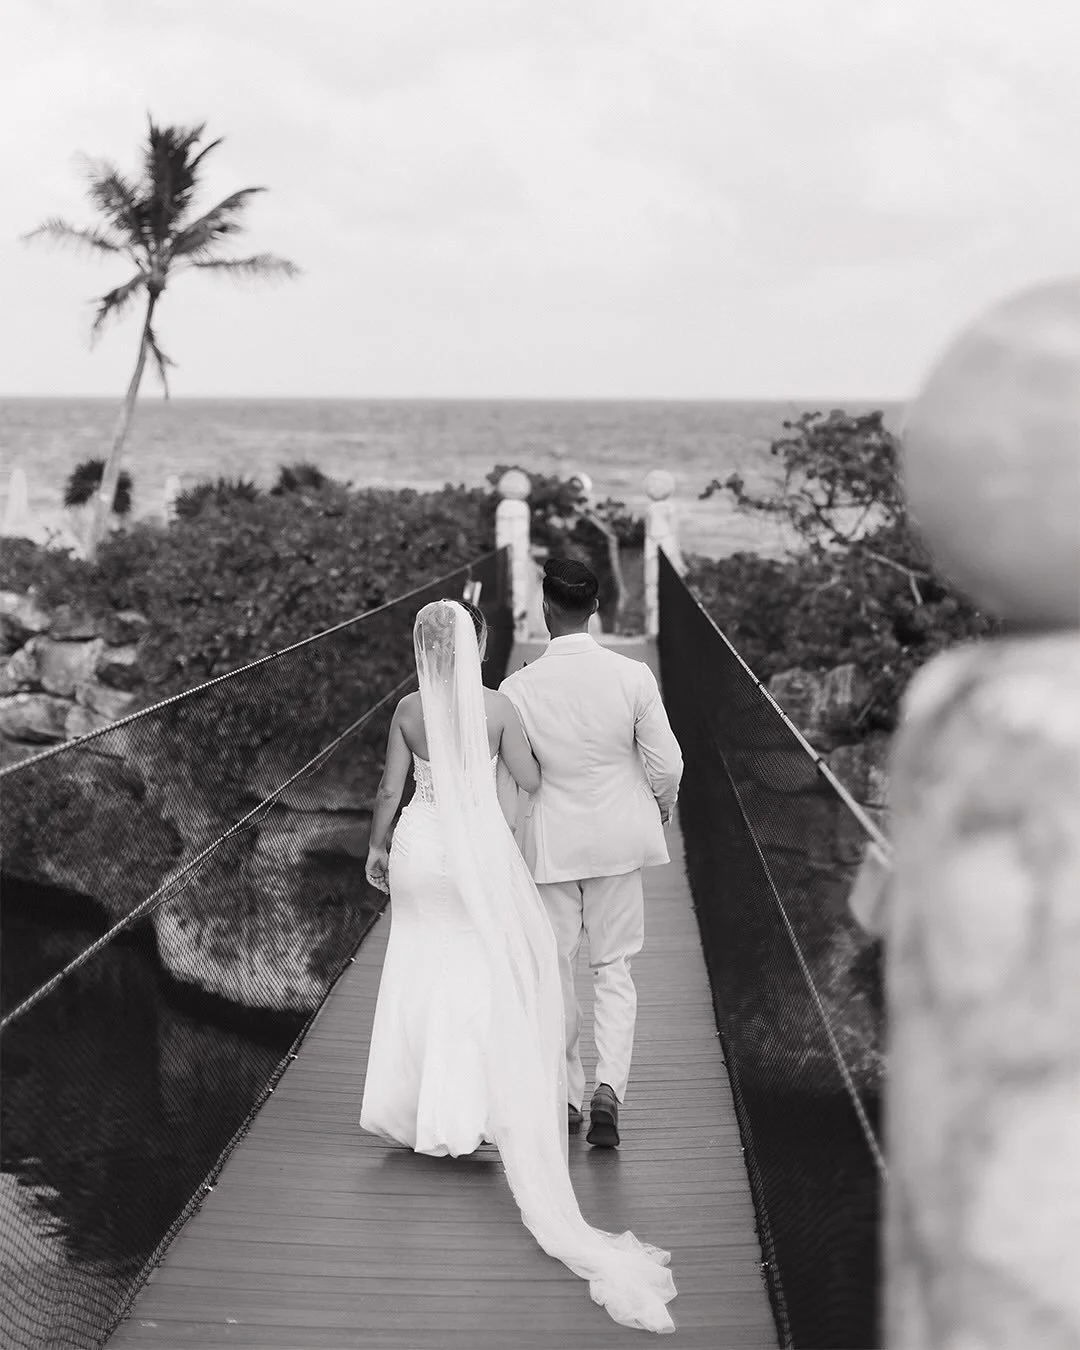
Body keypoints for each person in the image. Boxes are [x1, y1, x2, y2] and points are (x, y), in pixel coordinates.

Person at [360, 597, 677, 1334]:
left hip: (419, 848)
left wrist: (376, 848)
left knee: (416, 971)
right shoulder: (499, 707)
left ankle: (413, 1117)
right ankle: (466, 1116)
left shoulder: (408, 708)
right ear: (474, 645)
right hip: (476, 856)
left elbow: (388, 789)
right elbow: (531, 779)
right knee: (477, 976)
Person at [499, 557, 683, 1148]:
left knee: (554, 971)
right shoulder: (632, 676)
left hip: (550, 846)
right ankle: (610, 1089)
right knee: (615, 968)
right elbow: (670, 763)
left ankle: (566, 1093)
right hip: (618, 842)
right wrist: (660, 805)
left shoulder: (517, 688)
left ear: (545, 608)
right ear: (596, 609)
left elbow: (516, 776)